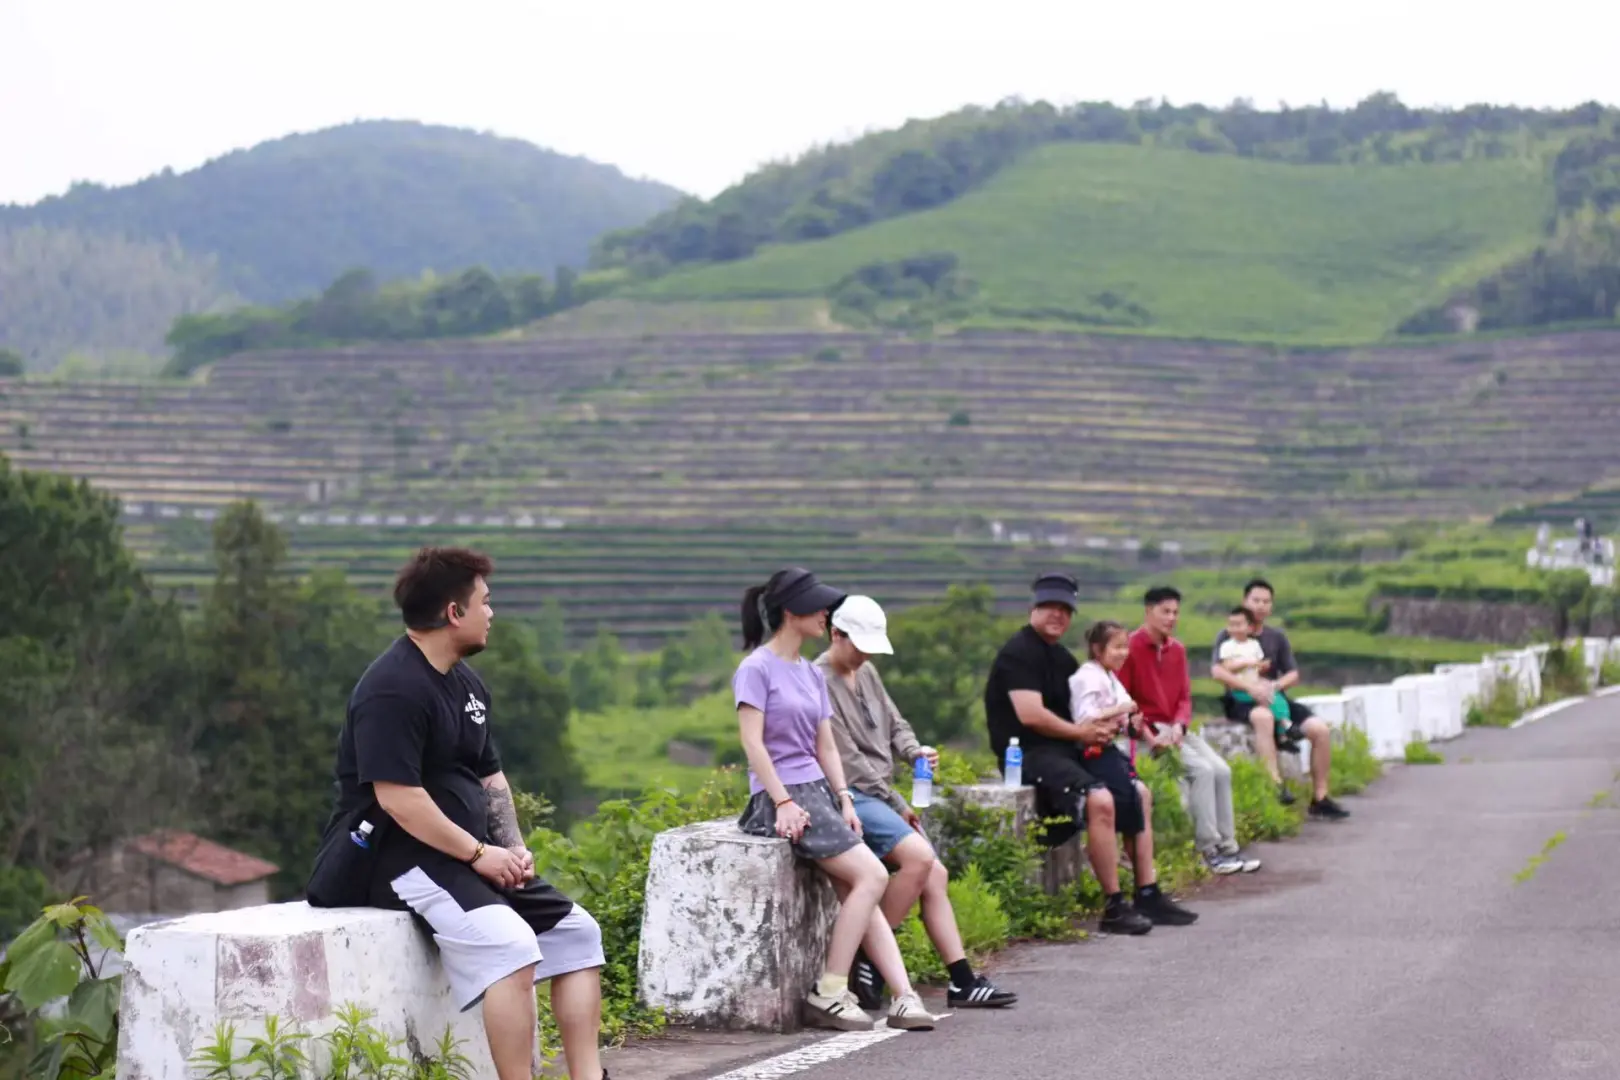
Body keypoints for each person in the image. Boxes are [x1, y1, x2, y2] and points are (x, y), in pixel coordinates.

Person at [309, 547, 609, 1080]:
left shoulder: (467, 683)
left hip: (467, 857)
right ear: (454, 612)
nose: (492, 613)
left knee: (578, 933)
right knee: (513, 947)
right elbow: (397, 799)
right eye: (485, 602)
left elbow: (490, 776)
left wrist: (511, 847)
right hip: (401, 859)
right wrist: (478, 853)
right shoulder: (391, 688)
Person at [733, 568, 935, 1033]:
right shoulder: (756, 669)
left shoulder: (808, 673)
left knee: (858, 886)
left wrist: (844, 797)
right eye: (818, 605)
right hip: (780, 796)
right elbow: (754, 745)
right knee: (871, 875)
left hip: (819, 792)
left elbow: (825, 746)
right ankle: (829, 990)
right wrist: (783, 802)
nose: (826, 613)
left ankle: (903, 996)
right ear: (790, 611)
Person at [817, 595, 1018, 1011]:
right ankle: (869, 956)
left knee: (936, 874)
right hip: (856, 797)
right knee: (919, 859)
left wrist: (915, 753)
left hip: (881, 795)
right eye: (859, 645)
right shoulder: (820, 681)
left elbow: (895, 723)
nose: (865, 653)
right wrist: (897, 803)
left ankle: (960, 979)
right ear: (836, 634)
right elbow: (848, 761)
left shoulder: (866, 671)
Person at [984, 572, 1196, 935]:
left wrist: (1116, 726)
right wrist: (1083, 732)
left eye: (1064, 609)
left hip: (1069, 748)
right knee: (1099, 799)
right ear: (1033, 608)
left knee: (1139, 793)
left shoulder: (1064, 659)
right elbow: (1031, 716)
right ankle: (1114, 906)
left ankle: (1147, 891)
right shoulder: (1018, 654)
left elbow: (1085, 713)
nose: (1057, 615)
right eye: (1050, 606)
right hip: (1029, 753)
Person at [1117, 587, 1260, 876]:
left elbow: (1184, 696)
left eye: (1175, 612)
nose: (1171, 618)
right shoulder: (1130, 647)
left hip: (1176, 729)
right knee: (1201, 771)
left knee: (1221, 770)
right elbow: (1124, 700)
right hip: (1149, 734)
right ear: (1148, 611)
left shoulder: (1178, 649)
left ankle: (1228, 847)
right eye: (1165, 611)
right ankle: (1208, 850)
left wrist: (1181, 727)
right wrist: (1150, 735)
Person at [1067, 620, 1198, 929]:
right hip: (1094, 752)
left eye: (1126, 647)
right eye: (1117, 647)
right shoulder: (1088, 678)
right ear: (1098, 649)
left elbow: (1130, 714)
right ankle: (1123, 899)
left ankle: (1147, 888)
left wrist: (1134, 725)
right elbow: (1086, 720)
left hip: (1132, 742)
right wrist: (1123, 711)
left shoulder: (1113, 677)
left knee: (1143, 795)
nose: (1124, 653)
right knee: (1135, 797)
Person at [1210, 578, 1351, 821]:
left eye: (1266, 601)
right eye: (1256, 600)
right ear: (1245, 602)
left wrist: (1273, 685)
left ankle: (1320, 797)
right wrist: (1250, 687)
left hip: (1276, 697)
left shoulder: (1277, 637)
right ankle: (1275, 786)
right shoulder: (1230, 633)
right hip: (1241, 700)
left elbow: (1293, 674)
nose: (1261, 606)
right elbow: (1218, 671)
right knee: (1263, 718)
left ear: (1271, 607)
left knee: (1320, 731)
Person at [1218, 606, 1292, 744]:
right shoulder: (1227, 646)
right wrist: (1246, 663)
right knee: (1265, 699)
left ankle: (1284, 729)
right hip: (1240, 688)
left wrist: (1262, 666)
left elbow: (1258, 666)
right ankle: (1282, 726)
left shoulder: (1254, 645)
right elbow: (1227, 667)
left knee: (1277, 696)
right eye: (1231, 625)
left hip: (1255, 683)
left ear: (1249, 627)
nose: (1235, 628)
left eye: (1239, 625)